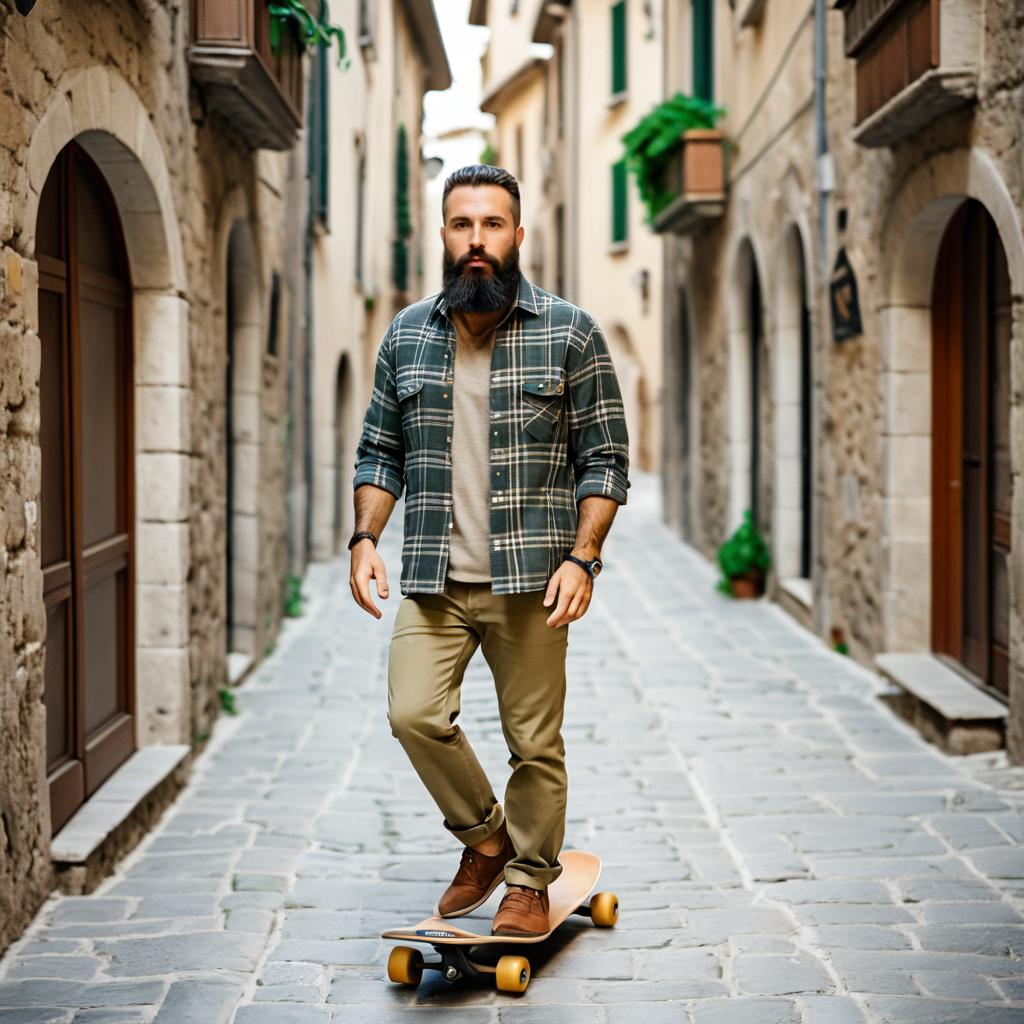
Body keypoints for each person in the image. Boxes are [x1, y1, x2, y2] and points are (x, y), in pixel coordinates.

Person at [349, 164, 629, 937]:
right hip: (435, 579)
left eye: (492, 225)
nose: (478, 241)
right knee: (413, 714)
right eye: (463, 224)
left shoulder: (570, 332)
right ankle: (485, 838)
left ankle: (530, 882)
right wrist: (366, 537)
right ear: (444, 234)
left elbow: (605, 459)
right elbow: (380, 451)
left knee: (534, 743)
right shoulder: (406, 334)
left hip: (532, 581)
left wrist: (584, 557)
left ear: (518, 236)